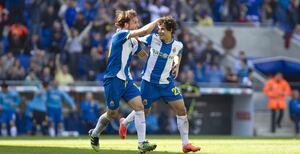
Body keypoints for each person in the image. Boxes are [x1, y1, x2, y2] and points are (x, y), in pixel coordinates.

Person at [119, 16, 201, 153]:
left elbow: (178, 53)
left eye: (162, 29)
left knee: (182, 110)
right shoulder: (153, 38)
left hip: (167, 83)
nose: (160, 32)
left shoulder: (178, 45)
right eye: (159, 29)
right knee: (144, 112)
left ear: (170, 31)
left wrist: (177, 64)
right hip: (149, 83)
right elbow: (139, 38)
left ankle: (186, 144)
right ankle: (125, 123)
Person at [89, 9, 158, 153]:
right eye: (134, 22)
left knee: (141, 107)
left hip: (127, 79)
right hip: (113, 79)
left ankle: (141, 144)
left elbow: (142, 54)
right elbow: (144, 32)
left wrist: (155, 56)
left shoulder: (133, 40)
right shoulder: (120, 35)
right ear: (126, 24)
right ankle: (95, 134)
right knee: (112, 114)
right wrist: (158, 21)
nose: (137, 24)